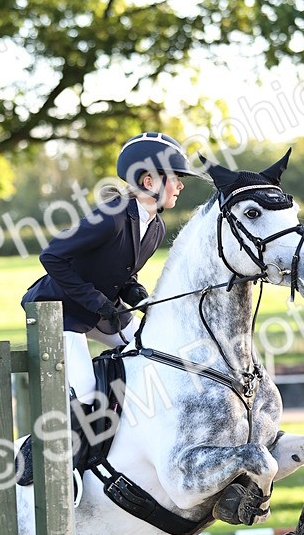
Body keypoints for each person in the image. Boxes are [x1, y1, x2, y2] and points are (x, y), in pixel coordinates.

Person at [22, 131, 205, 400]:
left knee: (154, 354)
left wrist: (135, 293)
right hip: (59, 312)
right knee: (86, 392)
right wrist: (97, 301)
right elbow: (51, 256)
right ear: (149, 181)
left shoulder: (156, 227)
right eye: (176, 178)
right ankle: (61, 442)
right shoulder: (111, 217)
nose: (180, 186)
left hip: (102, 312)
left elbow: (123, 271)